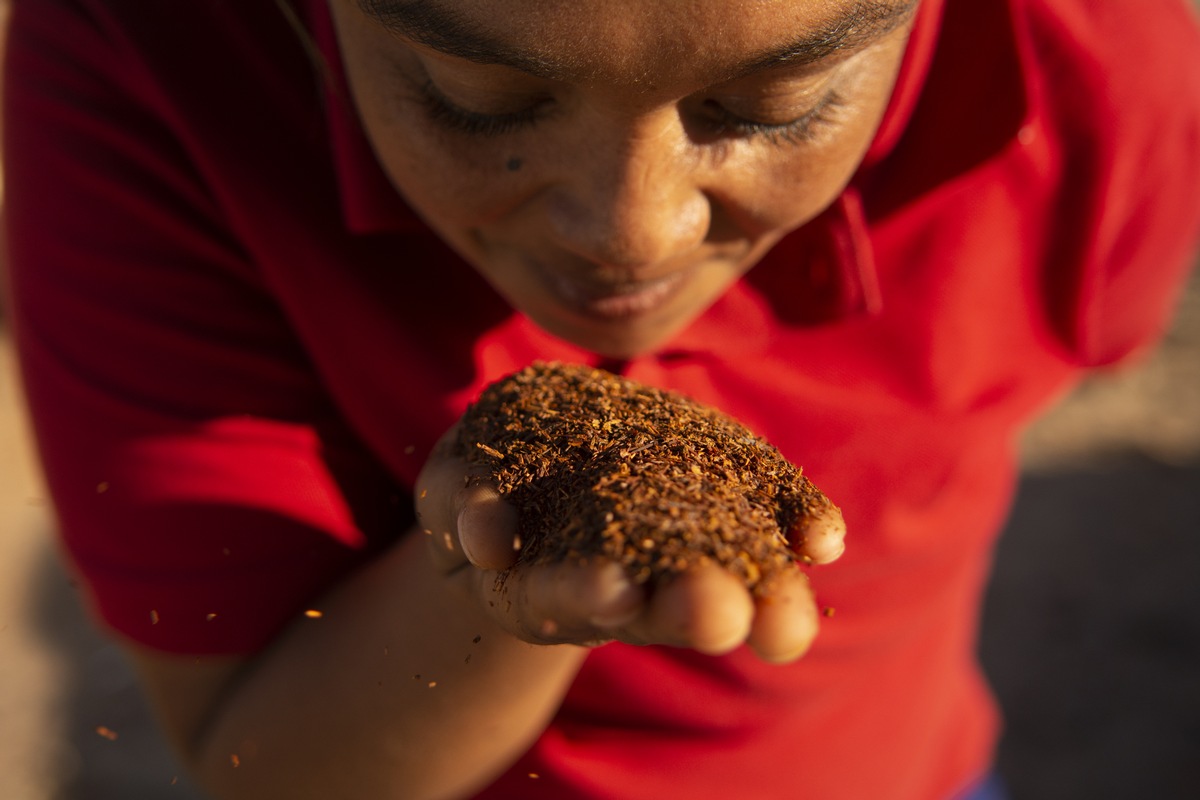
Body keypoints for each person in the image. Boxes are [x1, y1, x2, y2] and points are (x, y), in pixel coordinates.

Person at [4, 0, 1199, 798]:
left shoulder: (1090, 77)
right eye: (478, 100)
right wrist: (492, 579)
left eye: (773, 105)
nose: (632, 233)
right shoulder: (143, 66)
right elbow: (260, 760)